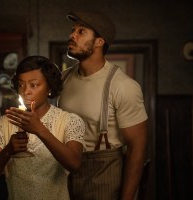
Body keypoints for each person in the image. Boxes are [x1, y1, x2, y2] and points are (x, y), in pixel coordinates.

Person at [58, 11, 148, 200]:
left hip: (104, 177)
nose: (72, 35)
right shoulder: (64, 78)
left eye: (81, 31)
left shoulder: (123, 86)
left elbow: (137, 150)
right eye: (73, 30)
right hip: (64, 175)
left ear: (100, 41)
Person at [0, 55, 85, 200]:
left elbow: (75, 164)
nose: (26, 91)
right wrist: (9, 150)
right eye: (21, 84)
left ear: (49, 87)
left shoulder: (69, 121)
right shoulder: (4, 123)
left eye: (34, 85)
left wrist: (40, 130)